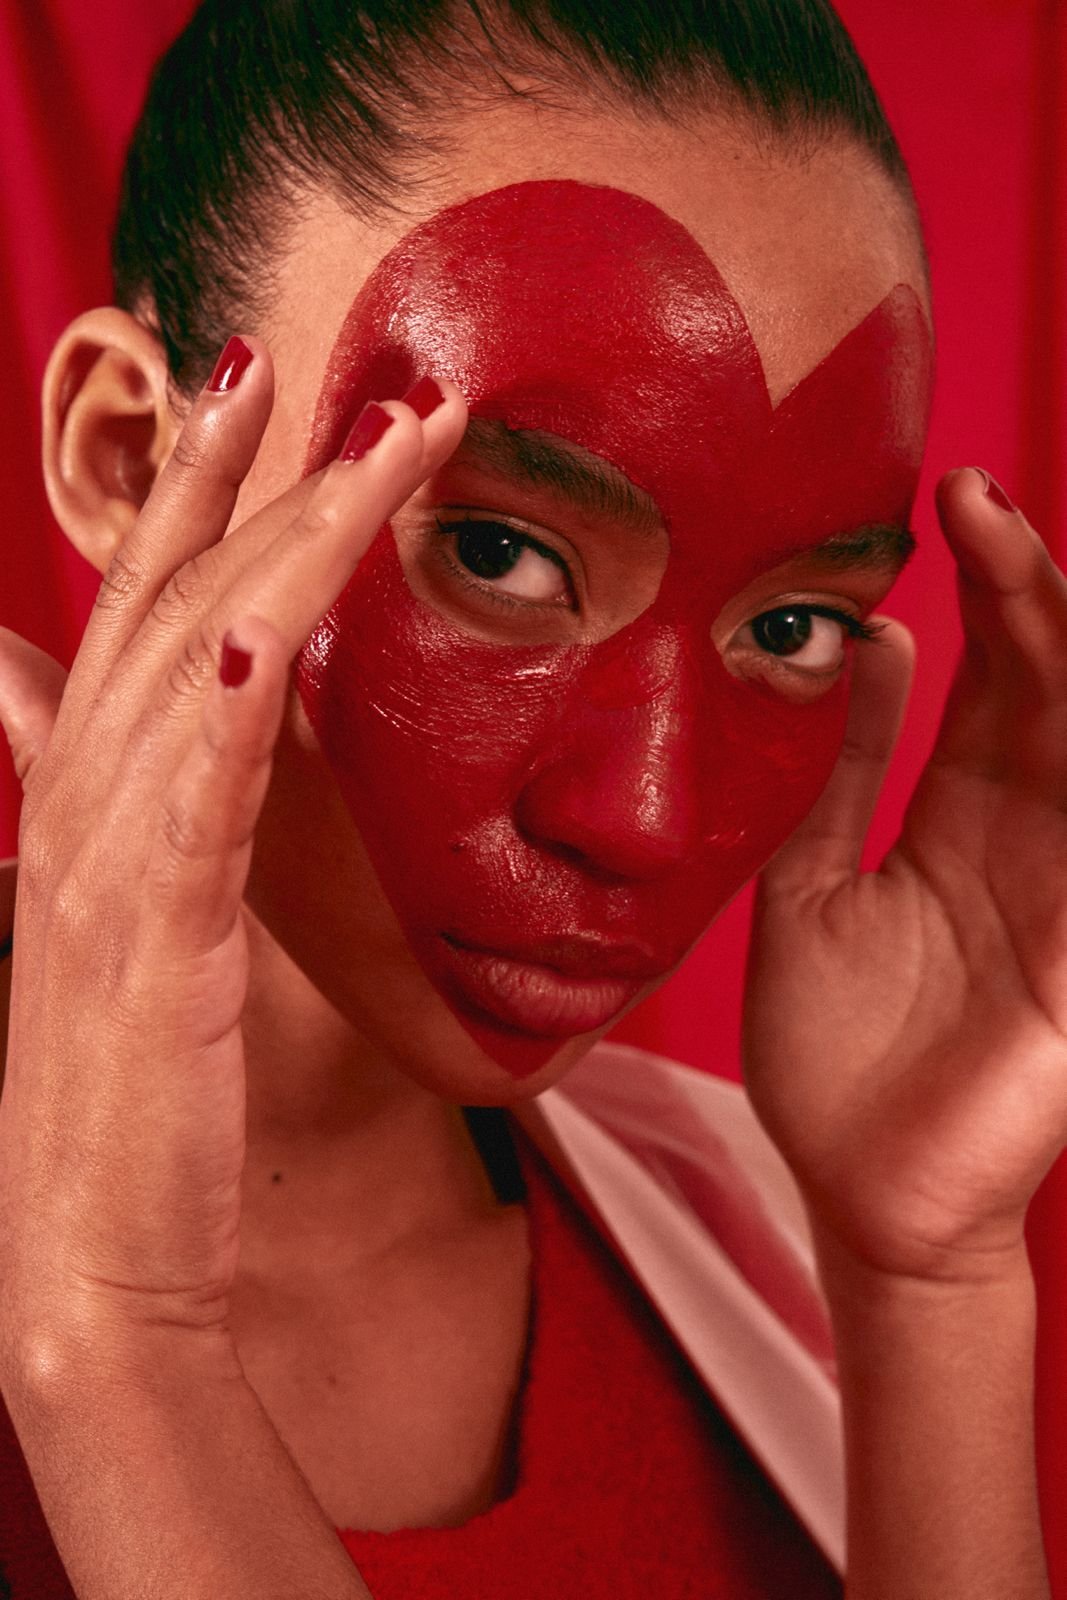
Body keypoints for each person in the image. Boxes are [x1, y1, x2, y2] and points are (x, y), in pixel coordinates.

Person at [0, 0, 1061, 1595]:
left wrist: (931, 1286)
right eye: (499, 552)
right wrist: (111, 1328)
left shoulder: (753, 1243)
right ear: (129, 457)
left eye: (789, 628)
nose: (642, 814)